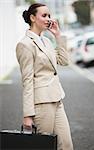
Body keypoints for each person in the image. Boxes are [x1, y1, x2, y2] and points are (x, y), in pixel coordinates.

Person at [16, 3, 73, 150]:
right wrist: (28, 115)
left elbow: (64, 61)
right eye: (44, 15)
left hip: (57, 98)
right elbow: (27, 81)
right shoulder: (25, 44)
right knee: (44, 146)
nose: (48, 19)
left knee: (66, 145)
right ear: (33, 18)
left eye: (49, 15)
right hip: (42, 104)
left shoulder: (47, 40)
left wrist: (58, 35)